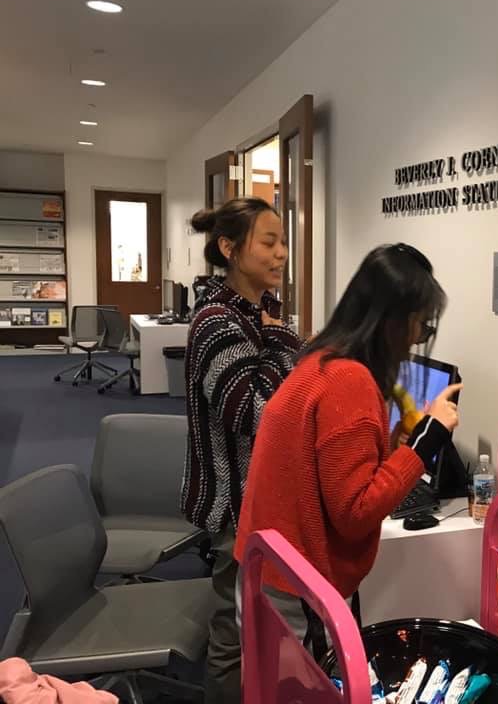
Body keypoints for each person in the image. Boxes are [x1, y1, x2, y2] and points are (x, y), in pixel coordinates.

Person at [234, 242, 461, 646]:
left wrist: (392, 448)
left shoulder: (322, 359)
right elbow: (356, 513)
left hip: (274, 570)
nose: (417, 339)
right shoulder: (348, 381)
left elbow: (322, 468)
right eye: (421, 326)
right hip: (298, 586)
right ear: (393, 322)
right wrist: (426, 441)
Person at [180, 197, 302, 704]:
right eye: (269, 242)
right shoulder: (218, 322)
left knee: (256, 619)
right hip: (237, 502)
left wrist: (281, 340)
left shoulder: (257, 313)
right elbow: (254, 413)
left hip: (259, 494)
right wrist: (280, 345)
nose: (281, 254)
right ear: (230, 249)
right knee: (233, 629)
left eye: (282, 242)